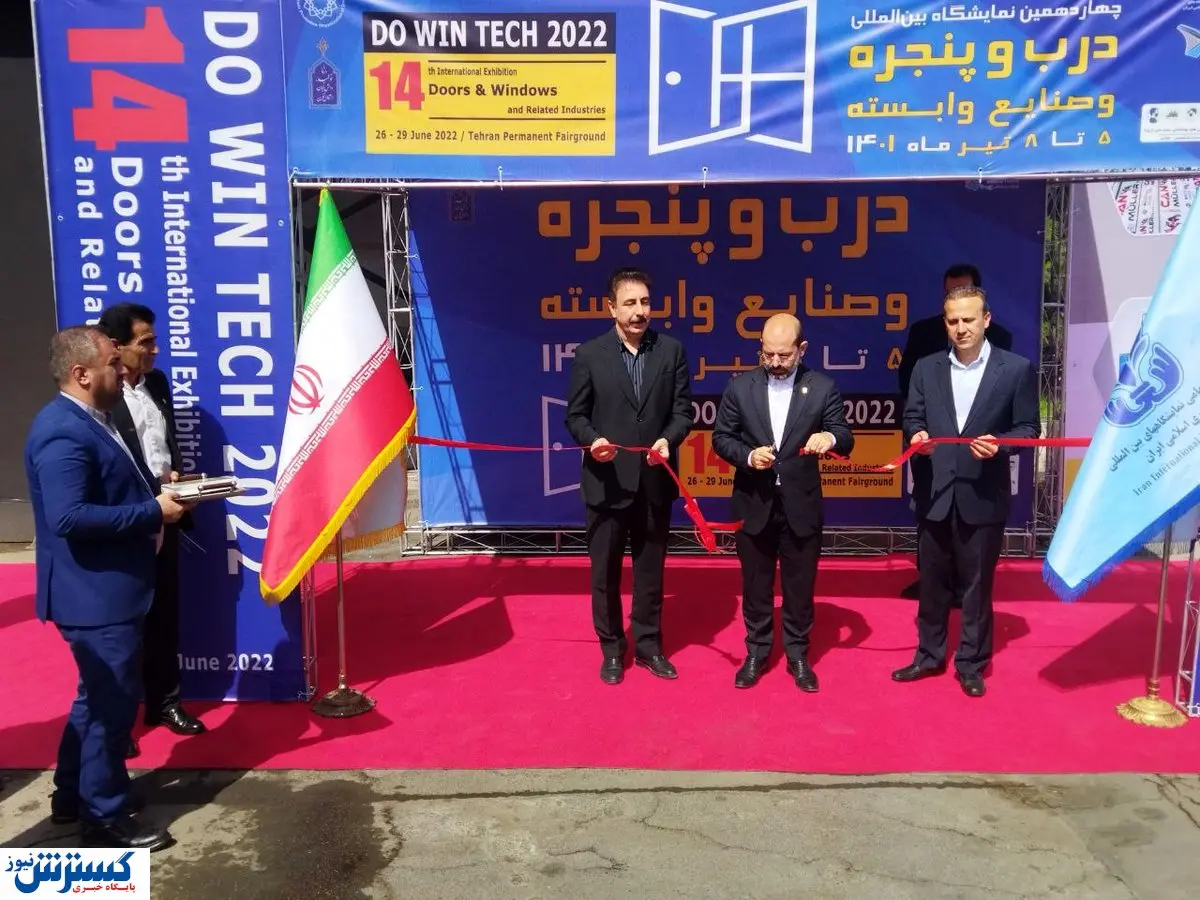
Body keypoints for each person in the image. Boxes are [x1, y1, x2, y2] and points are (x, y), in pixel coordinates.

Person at [26, 326, 192, 850]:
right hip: (95, 596)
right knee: (111, 707)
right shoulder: (63, 432)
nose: (124, 372)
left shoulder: (92, 419)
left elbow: (110, 489)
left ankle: (71, 795)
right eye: (113, 366)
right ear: (81, 374)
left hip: (109, 590)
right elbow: (69, 517)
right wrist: (152, 512)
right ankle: (104, 817)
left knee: (95, 697)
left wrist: (162, 492)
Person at [891, 285, 1039, 697]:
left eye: (969, 319)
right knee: (932, 581)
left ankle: (971, 663)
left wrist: (1001, 444)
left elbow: (1029, 429)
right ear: (945, 323)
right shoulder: (926, 368)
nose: (961, 328)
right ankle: (928, 655)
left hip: (983, 494)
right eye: (953, 321)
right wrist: (917, 435)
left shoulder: (1015, 369)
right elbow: (912, 417)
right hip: (935, 492)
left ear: (986, 319)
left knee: (976, 586)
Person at [712, 314, 853, 691]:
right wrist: (747, 456)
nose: (774, 362)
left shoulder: (822, 387)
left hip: (800, 505)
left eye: (784, 355)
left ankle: (798, 654)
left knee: (799, 586)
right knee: (755, 584)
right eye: (767, 354)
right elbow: (721, 438)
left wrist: (829, 439)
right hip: (753, 502)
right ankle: (757, 651)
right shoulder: (739, 388)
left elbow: (844, 435)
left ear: (801, 350)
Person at [565, 267, 693, 685]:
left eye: (645, 302)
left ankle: (650, 645)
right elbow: (576, 416)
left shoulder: (671, 351)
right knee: (604, 573)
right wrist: (593, 440)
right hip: (607, 483)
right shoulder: (590, 355)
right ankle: (612, 648)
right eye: (630, 303)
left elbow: (683, 412)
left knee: (650, 571)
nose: (639, 312)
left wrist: (668, 440)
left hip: (654, 480)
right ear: (611, 308)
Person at [99, 303, 206, 742]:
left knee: (165, 616)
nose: (155, 350)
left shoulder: (157, 383)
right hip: (128, 523)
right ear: (116, 346)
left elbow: (163, 443)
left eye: (155, 340)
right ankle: (118, 723)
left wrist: (175, 477)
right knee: (125, 628)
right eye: (145, 342)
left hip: (168, 515)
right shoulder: (101, 396)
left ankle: (165, 703)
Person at [897, 264, 1013, 602]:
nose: (960, 328)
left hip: (978, 457)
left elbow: (1013, 412)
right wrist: (921, 428)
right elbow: (908, 384)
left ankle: (966, 587)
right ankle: (932, 582)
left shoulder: (1001, 339)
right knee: (931, 519)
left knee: (972, 524)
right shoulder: (924, 333)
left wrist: (996, 440)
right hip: (934, 448)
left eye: (962, 290)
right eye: (949, 292)